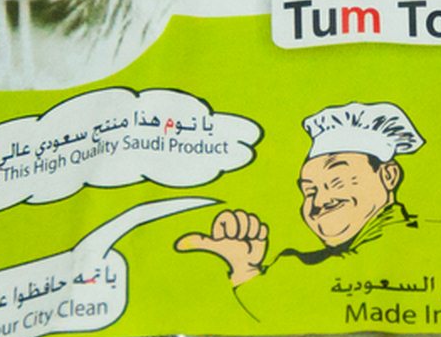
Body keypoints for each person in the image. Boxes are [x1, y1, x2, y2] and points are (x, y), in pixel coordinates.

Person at [177, 101, 423, 288]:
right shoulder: (327, 259)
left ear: (388, 176)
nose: (320, 202)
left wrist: (247, 272)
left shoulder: (406, 242)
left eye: (336, 182)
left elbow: (315, 290)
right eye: (309, 191)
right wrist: (245, 265)